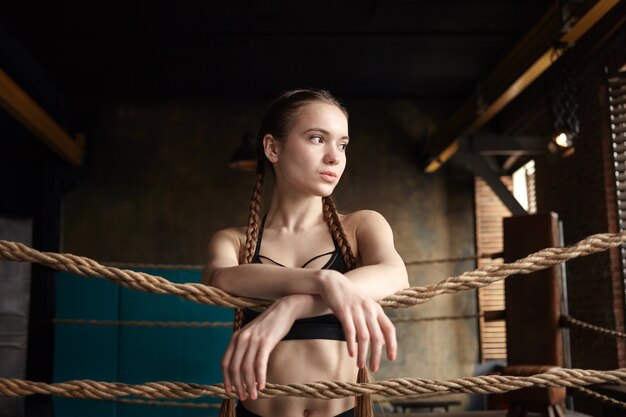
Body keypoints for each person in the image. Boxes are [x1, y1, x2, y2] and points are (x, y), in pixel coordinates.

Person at [203, 89, 409, 417]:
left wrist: (291, 306)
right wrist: (323, 281)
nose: (335, 157)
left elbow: (395, 274)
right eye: (317, 139)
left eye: (342, 144)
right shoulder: (236, 241)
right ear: (272, 148)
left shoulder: (361, 226)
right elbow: (220, 279)